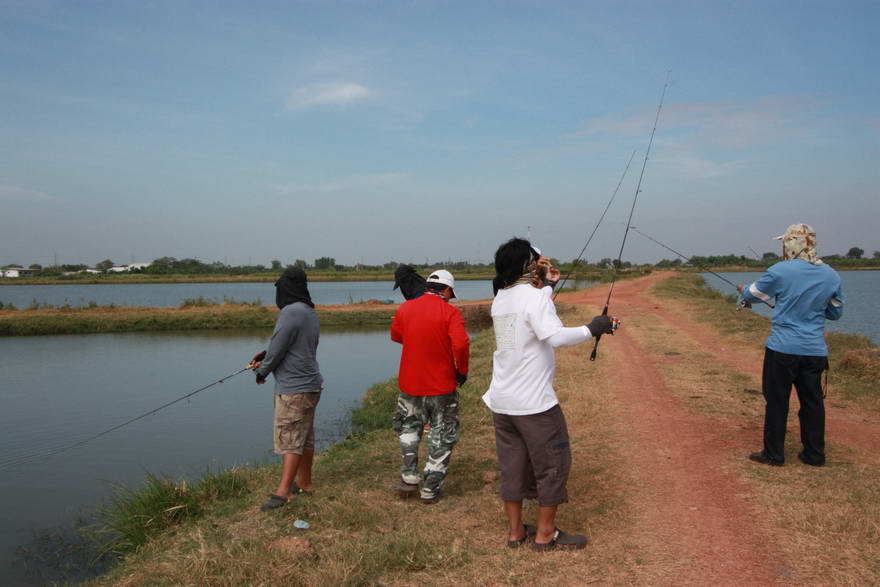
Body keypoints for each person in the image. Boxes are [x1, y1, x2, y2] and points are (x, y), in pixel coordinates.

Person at [483, 237, 618, 551]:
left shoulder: (500, 298)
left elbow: (530, 315)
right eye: (538, 260)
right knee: (552, 465)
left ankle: (516, 532)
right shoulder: (534, 298)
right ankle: (546, 535)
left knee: (513, 467)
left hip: (502, 404)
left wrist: (546, 286)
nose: (542, 263)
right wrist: (594, 328)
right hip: (535, 407)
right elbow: (554, 336)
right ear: (527, 265)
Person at [738, 223, 844, 467]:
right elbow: (836, 314)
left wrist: (743, 290)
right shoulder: (831, 275)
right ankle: (814, 455)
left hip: (782, 349)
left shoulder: (780, 270)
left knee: (777, 401)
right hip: (815, 350)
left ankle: (774, 454)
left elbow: (751, 295)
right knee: (812, 402)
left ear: (789, 244)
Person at [390, 269, 470, 504]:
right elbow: (461, 344)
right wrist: (461, 371)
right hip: (442, 386)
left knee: (409, 430)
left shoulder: (404, 309)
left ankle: (409, 477)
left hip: (410, 384)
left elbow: (397, 336)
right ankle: (430, 489)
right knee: (441, 435)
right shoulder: (450, 312)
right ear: (446, 290)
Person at [249, 266, 324, 511]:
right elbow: (287, 345)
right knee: (305, 436)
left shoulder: (291, 312)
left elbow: (279, 346)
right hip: (310, 384)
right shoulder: (308, 311)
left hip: (294, 387)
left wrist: (262, 370)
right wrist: (265, 355)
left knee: (291, 438)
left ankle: (284, 492)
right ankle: (305, 482)